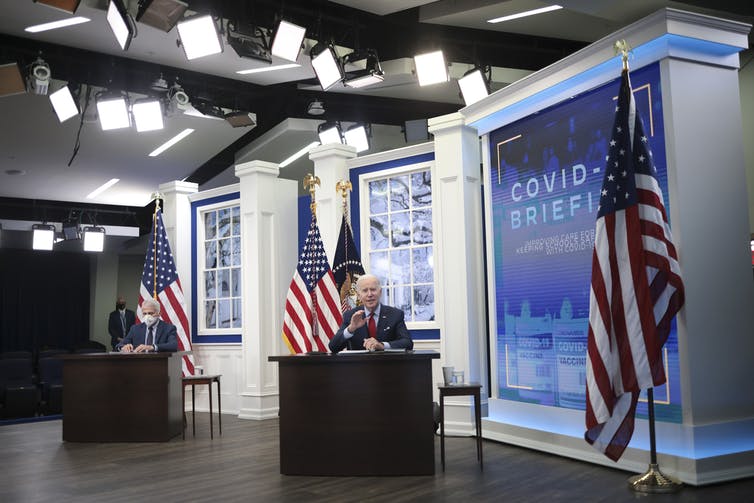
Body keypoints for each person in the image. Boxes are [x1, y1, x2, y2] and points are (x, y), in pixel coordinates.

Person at [329, 274, 413, 353]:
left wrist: (382, 345)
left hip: (387, 365)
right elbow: (333, 347)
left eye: (373, 289)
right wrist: (351, 329)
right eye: (365, 291)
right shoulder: (350, 316)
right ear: (359, 295)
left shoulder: (395, 314)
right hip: (359, 367)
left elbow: (407, 343)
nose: (369, 294)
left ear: (380, 292)